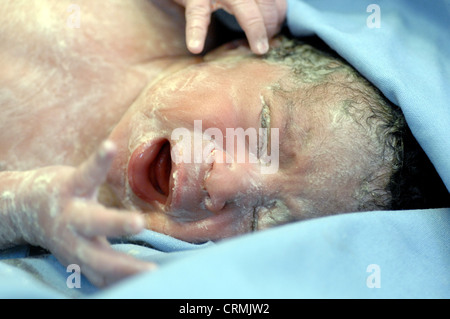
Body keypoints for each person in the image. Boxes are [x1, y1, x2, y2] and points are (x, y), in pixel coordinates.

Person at [0, 0, 446, 288]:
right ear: (241, 48)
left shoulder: (71, 219)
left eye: (260, 222)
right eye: (263, 132)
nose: (226, 183)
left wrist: (18, 210)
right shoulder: (165, 17)